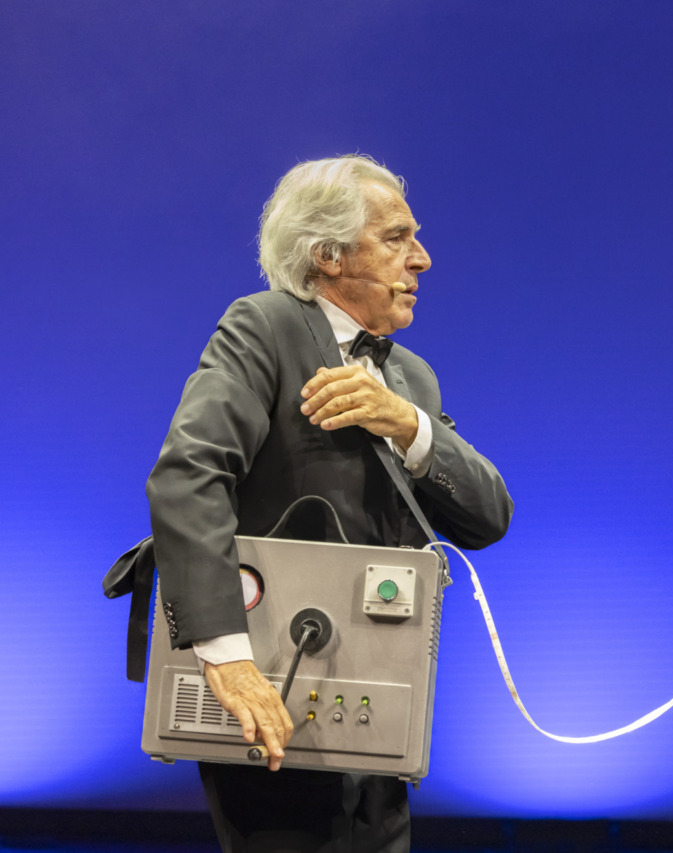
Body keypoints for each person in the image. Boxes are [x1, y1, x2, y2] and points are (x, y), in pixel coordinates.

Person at [145, 155, 513, 852]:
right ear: (329, 256)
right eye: (397, 238)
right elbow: (187, 475)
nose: (422, 259)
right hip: (271, 690)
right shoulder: (266, 327)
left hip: (379, 711)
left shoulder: (411, 377)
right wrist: (227, 658)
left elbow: (490, 514)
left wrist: (409, 424)